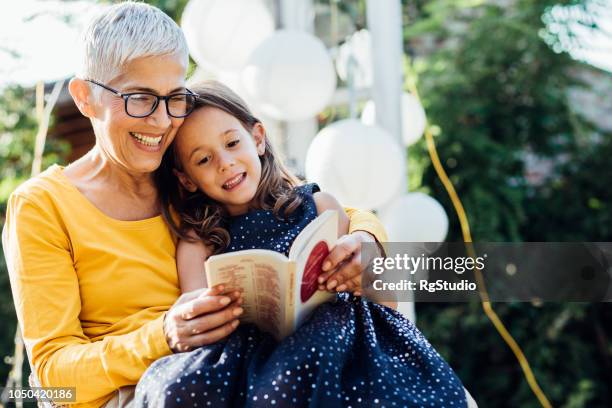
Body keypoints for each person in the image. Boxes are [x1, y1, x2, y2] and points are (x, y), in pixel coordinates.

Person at [1, 3, 389, 407]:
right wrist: (163, 335)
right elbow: (52, 377)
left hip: (237, 376)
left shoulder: (196, 173)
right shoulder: (42, 205)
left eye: (175, 98)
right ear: (84, 97)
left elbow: (303, 202)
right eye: (139, 99)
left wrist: (365, 239)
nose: (161, 121)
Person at [131, 81, 469, 407]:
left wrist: (365, 271)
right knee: (177, 388)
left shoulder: (319, 206)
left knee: (309, 360)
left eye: (232, 143)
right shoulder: (198, 241)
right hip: (249, 353)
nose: (225, 163)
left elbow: (386, 301)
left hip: (333, 338)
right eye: (203, 160)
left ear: (258, 138)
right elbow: (197, 317)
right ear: (187, 179)